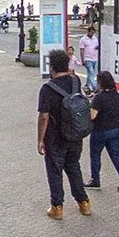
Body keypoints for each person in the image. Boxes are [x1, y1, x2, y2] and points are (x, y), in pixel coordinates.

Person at [38, 49, 91, 218]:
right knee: (74, 167)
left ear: (52, 67)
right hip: (75, 135)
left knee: (55, 171)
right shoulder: (75, 81)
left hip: (55, 138)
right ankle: (84, 203)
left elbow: (44, 116)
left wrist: (40, 139)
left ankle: (57, 207)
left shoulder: (47, 88)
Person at [87, 70, 119, 192]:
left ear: (100, 83)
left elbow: (92, 116)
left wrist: (90, 103)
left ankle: (95, 179)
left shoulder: (99, 98)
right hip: (117, 129)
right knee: (116, 155)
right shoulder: (116, 95)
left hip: (101, 130)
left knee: (95, 155)